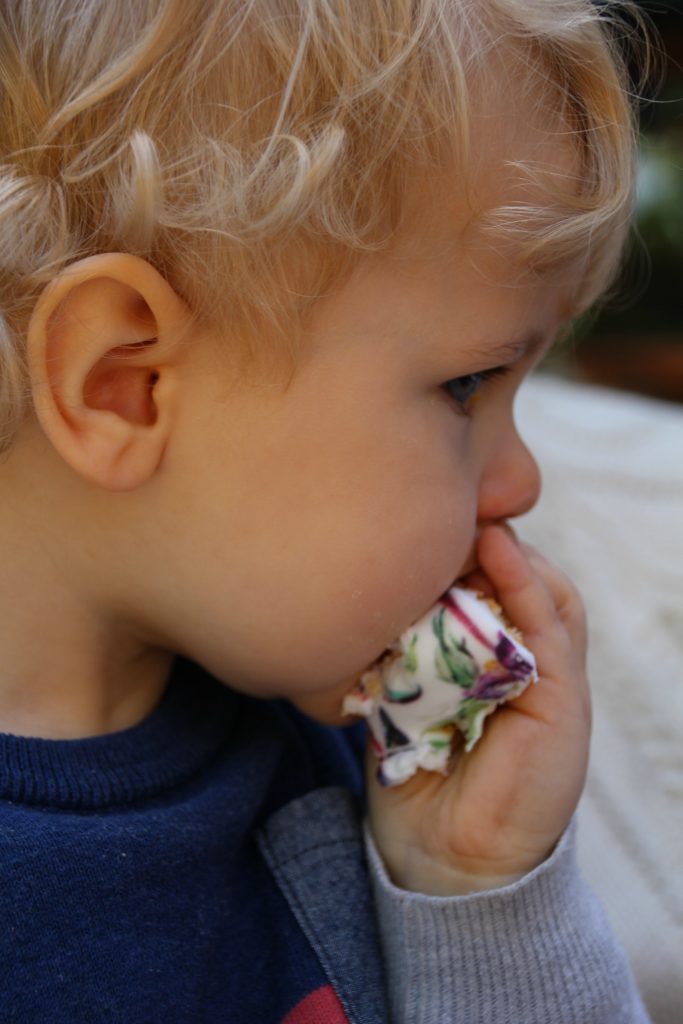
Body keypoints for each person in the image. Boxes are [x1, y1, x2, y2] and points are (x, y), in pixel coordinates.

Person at [0, 1, 653, 1021]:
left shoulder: (372, 753)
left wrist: (475, 890)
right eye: (467, 385)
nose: (519, 480)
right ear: (124, 386)